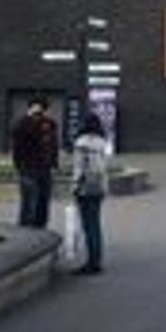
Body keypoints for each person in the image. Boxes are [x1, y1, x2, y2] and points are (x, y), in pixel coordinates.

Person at [71, 112, 109, 275]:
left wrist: (74, 186)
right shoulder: (102, 143)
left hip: (85, 186)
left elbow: (78, 168)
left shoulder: (81, 143)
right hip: (99, 186)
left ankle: (91, 263)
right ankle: (96, 259)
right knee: (95, 224)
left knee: (88, 224)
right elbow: (104, 167)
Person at [12, 97, 59, 228]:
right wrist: (30, 118)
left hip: (45, 168)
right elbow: (18, 142)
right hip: (27, 168)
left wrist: (54, 163)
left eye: (42, 110)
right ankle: (25, 231)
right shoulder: (23, 124)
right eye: (37, 110)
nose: (40, 113)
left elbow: (53, 145)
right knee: (29, 202)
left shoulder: (50, 124)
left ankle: (40, 230)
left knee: (43, 202)